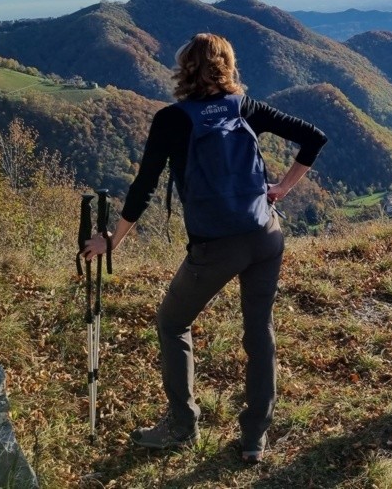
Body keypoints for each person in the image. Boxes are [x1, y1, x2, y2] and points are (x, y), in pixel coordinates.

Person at [82, 32, 326, 461]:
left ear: (185, 70)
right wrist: (282, 189)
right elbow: (313, 137)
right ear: (227, 67)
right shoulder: (245, 107)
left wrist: (110, 241)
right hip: (266, 236)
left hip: (216, 246)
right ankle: (255, 437)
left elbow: (144, 187)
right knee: (259, 333)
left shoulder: (172, 119)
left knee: (173, 322)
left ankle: (182, 425)